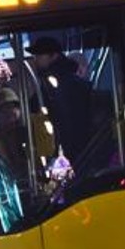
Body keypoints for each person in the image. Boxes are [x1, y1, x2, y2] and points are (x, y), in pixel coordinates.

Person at [25, 37, 93, 168]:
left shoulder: (56, 83)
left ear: (53, 56)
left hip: (70, 151)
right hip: (80, 150)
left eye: (40, 54)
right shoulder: (62, 80)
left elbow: (63, 119)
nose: (36, 59)